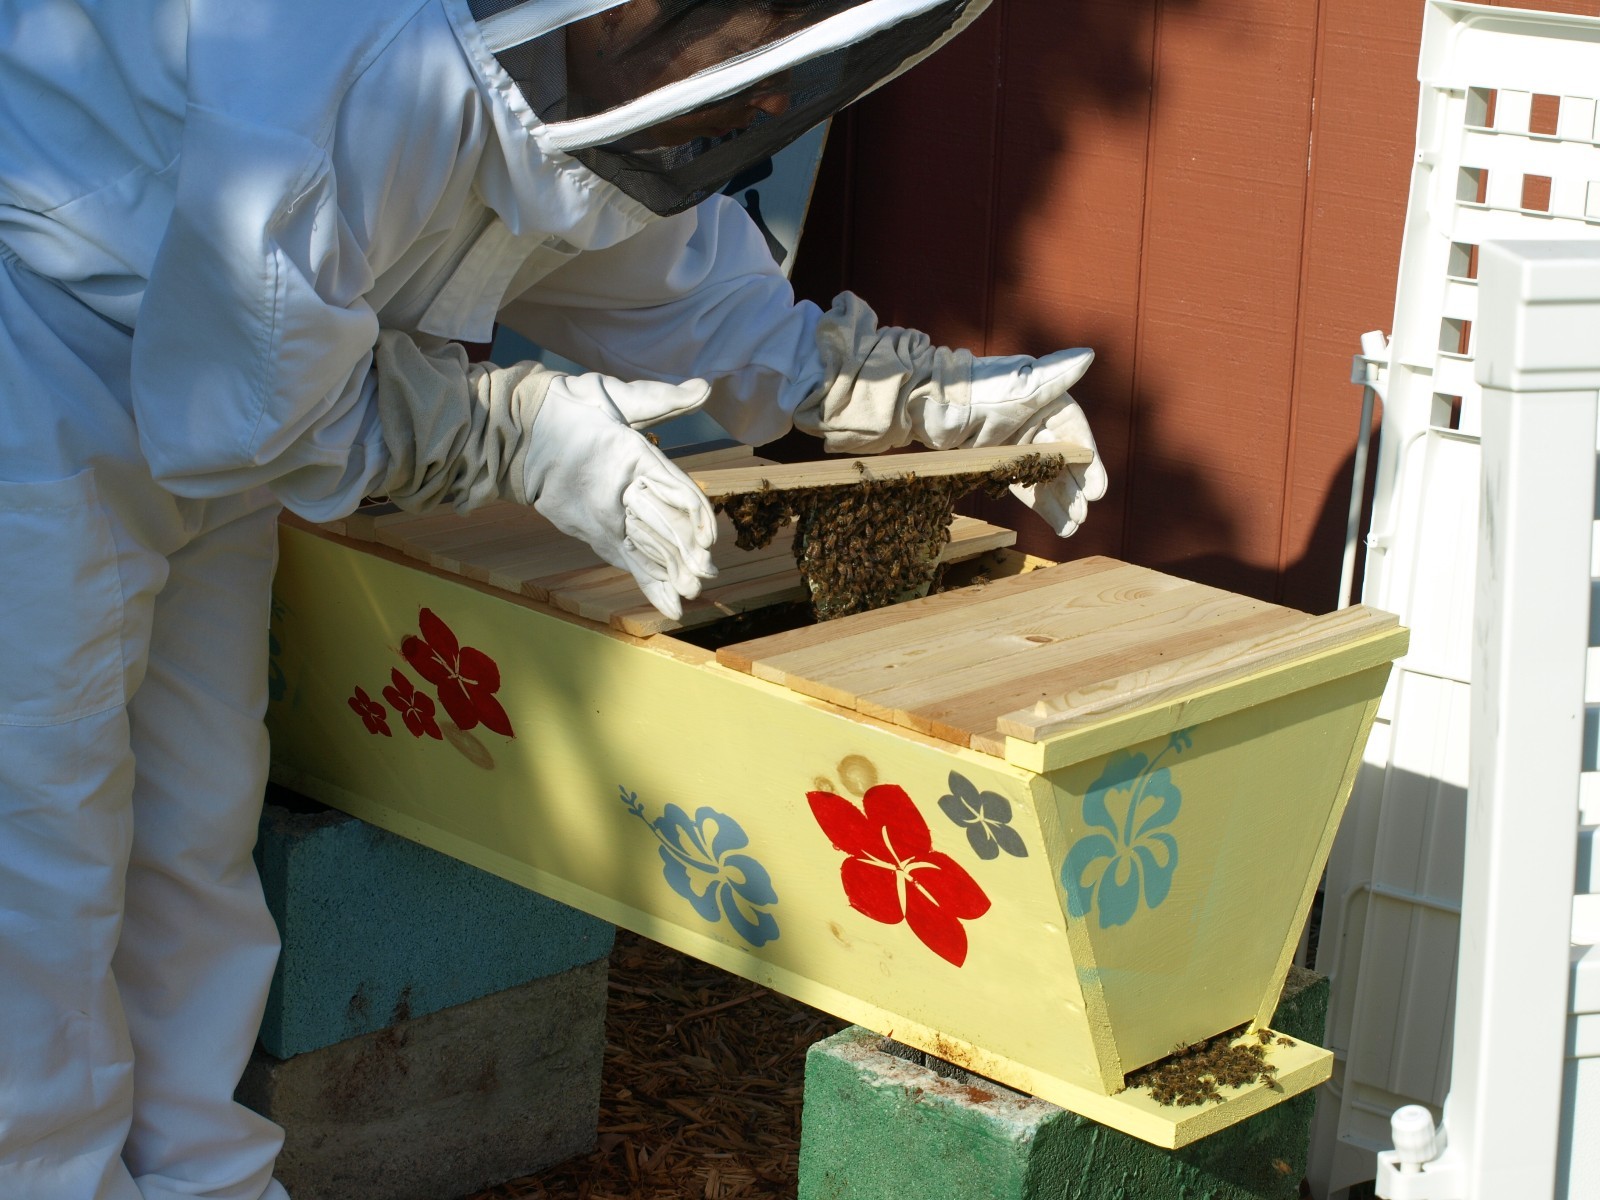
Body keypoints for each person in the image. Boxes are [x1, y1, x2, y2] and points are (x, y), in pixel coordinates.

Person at [0, 1, 1108, 1196]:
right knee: (41, 842)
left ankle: (203, 1175)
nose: (781, 97)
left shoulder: (559, 79)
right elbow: (243, 409)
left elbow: (681, 295)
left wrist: (935, 403)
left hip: (223, 397)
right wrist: (503, 433)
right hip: (38, 360)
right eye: (763, 29)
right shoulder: (336, 67)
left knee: (193, 822)